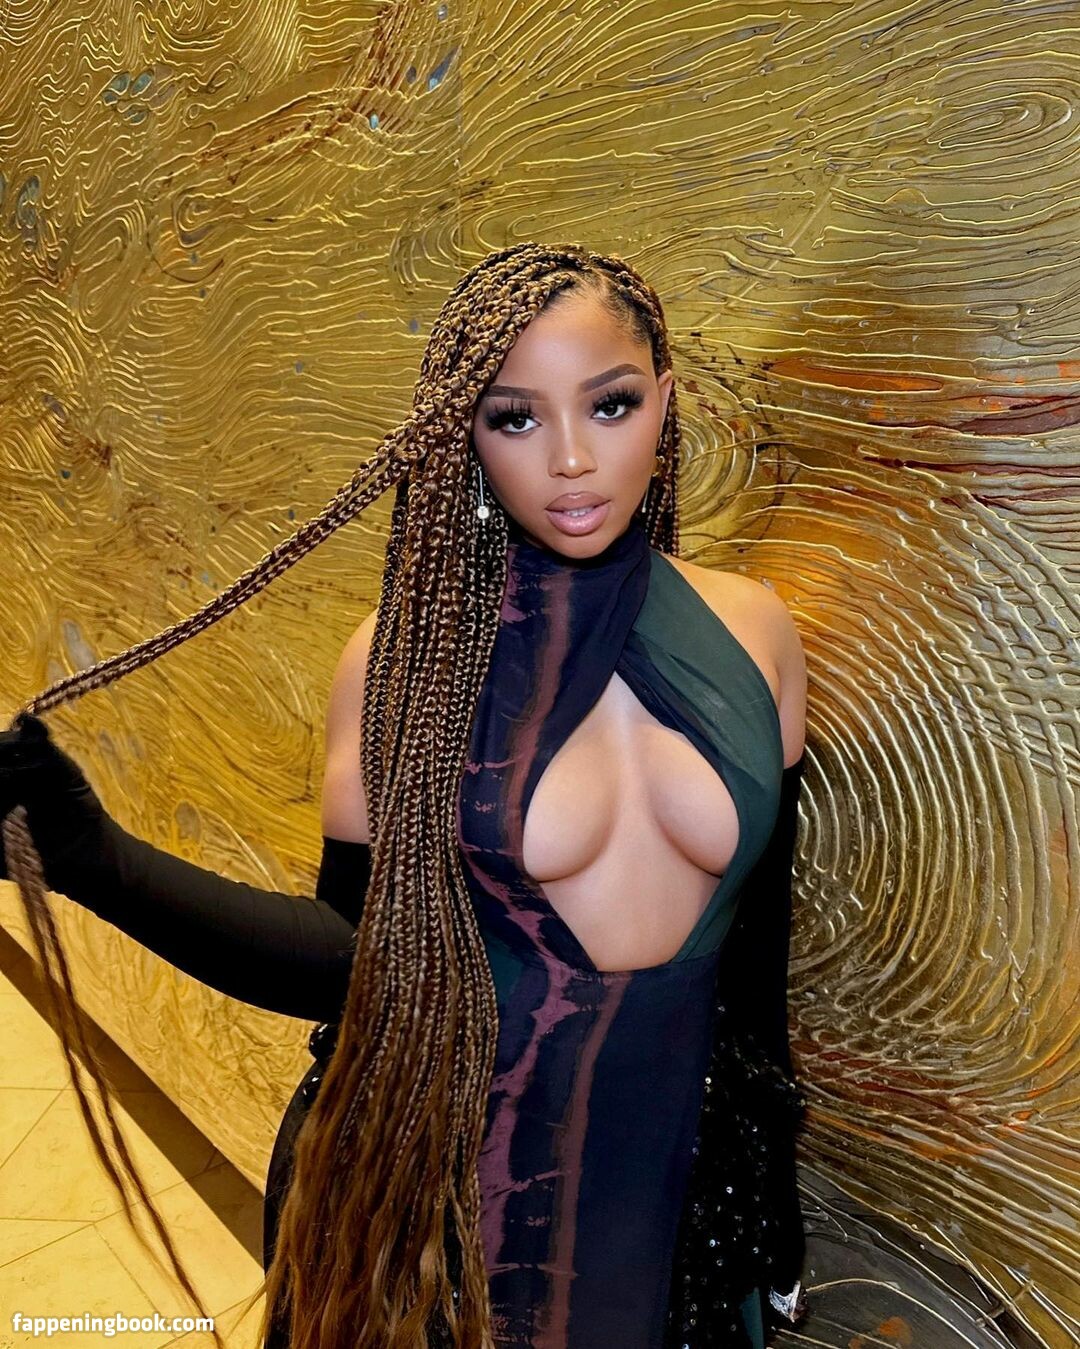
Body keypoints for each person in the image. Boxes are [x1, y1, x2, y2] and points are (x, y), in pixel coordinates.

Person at [0, 242, 809, 1348]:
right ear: (463, 436)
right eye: (514, 418)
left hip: (683, 1191)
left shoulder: (755, 629)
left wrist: (775, 1191)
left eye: (611, 404)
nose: (573, 458)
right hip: (458, 1193)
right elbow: (348, 951)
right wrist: (93, 858)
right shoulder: (406, 663)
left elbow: (758, 954)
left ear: (665, 402)